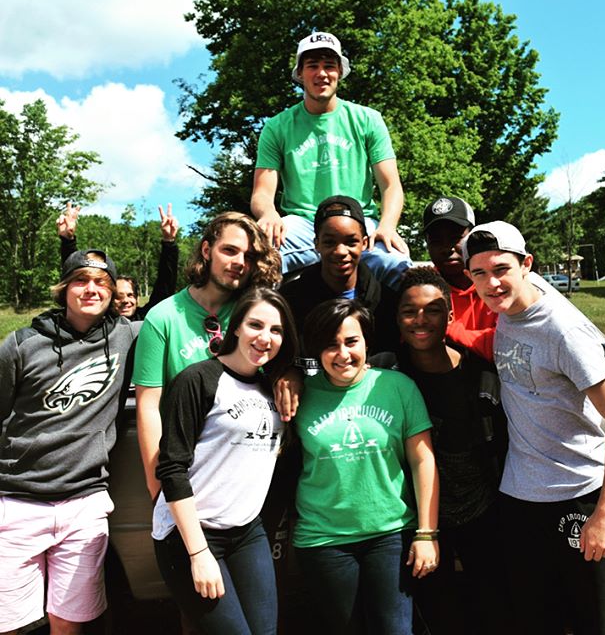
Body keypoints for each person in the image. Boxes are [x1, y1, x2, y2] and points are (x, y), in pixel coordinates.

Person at [461, 221, 605, 635]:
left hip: (577, 500)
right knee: (537, 621)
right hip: (521, 503)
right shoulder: (504, 315)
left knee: (599, 624)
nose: (492, 283)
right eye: (480, 273)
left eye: (501, 268)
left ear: (527, 264)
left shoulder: (562, 329)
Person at [0, 250, 139, 635]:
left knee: (69, 622)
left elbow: (178, 317)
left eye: (101, 283)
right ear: (64, 289)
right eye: (81, 280)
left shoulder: (125, 335)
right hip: (17, 500)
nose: (91, 289)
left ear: (113, 293)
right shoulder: (21, 345)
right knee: (12, 624)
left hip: (84, 501)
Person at [152, 288, 297, 634]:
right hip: (189, 534)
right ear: (235, 327)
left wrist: (295, 374)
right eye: (255, 325)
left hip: (246, 532)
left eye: (276, 330)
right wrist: (198, 554)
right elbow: (171, 468)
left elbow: (313, 365)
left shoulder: (271, 387)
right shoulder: (198, 380)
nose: (265, 338)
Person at [292, 299, 439, 634]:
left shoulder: (397, 387)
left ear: (367, 342)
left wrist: (427, 533)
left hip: (390, 534)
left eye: (351, 342)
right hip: (323, 540)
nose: (342, 354)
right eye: (330, 345)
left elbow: (422, 460)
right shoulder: (300, 395)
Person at [132, 211, 282, 501]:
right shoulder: (163, 317)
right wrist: (157, 488)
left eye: (249, 256)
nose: (239, 262)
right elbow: (148, 408)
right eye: (229, 250)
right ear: (206, 250)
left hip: (249, 481)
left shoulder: (257, 316)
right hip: (187, 477)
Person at [393, 266, 511, 635]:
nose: (420, 320)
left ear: (451, 315)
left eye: (432, 309)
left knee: (495, 609)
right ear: (397, 318)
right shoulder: (388, 375)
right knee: (439, 615)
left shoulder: (483, 373)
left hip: (482, 513)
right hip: (419, 521)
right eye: (409, 311)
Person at [251, 31, 411, 288]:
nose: (322, 73)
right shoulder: (277, 127)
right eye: (312, 66)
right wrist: (269, 213)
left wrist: (388, 226)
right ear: (300, 73)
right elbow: (261, 192)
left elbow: (390, 185)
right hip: (302, 224)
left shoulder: (368, 119)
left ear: (340, 71)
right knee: (253, 258)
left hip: (359, 223)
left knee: (399, 266)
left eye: (329, 66)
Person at [280, 194, 400, 368]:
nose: (341, 251)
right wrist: (284, 372)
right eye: (329, 242)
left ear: (364, 243)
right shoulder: (289, 301)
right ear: (316, 244)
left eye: (351, 242)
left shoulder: (386, 303)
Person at [57, 201, 180, 320]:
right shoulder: (101, 324)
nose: (125, 301)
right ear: (110, 298)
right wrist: (68, 240)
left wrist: (169, 242)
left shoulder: (145, 320)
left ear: (137, 299)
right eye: (118, 296)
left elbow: (165, 286)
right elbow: (75, 273)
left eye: (130, 295)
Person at [423, 196, 496, 360]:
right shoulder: (421, 289)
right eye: (436, 240)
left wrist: (446, 330)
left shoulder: (496, 282)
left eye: (456, 238)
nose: (446, 248)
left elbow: (506, 343)